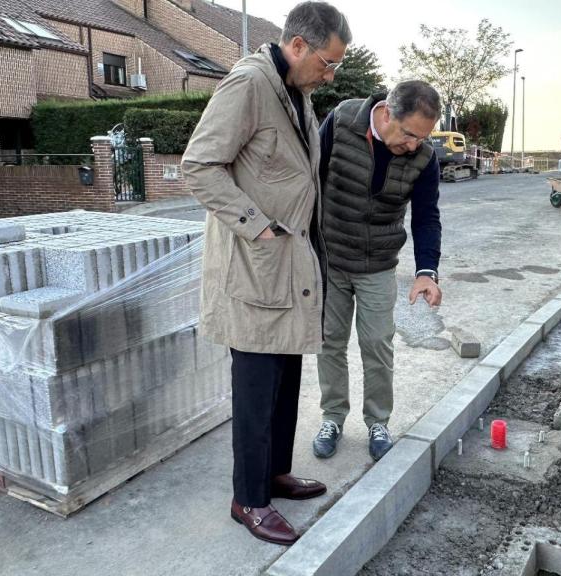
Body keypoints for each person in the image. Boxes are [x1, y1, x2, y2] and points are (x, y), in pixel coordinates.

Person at [181, 1, 350, 547]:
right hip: (256, 268)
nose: (329, 75)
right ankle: (247, 499)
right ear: (297, 45)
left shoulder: (297, 94)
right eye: (327, 62)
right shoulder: (248, 85)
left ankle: (275, 474)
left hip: (291, 267)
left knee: (284, 379)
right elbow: (199, 165)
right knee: (255, 390)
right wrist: (256, 226)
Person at [311, 80, 443, 462]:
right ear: (386, 114)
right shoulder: (341, 121)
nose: (415, 144)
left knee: (377, 344)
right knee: (329, 341)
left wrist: (427, 271)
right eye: (409, 134)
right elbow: (310, 178)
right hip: (331, 258)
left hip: (378, 265)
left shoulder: (424, 157)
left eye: (422, 137)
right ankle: (333, 417)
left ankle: (378, 422)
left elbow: (427, 217)